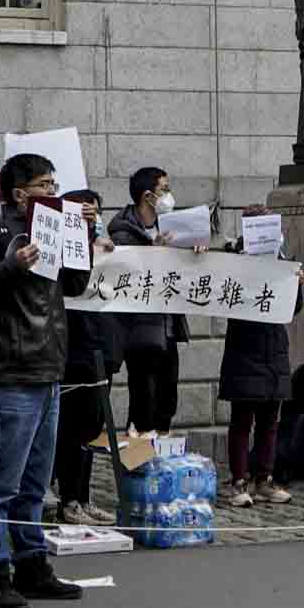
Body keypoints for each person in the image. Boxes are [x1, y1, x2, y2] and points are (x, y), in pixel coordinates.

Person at [0, 154, 90, 608]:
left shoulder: (53, 228)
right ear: (19, 194)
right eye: (44, 184)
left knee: (34, 482)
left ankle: (32, 564)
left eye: (55, 183)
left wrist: (82, 235)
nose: (53, 191)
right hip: (10, 373)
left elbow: (74, 284)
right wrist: (10, 266)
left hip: (49, 370)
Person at [217, 207, 303, 508]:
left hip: (274, 348)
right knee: (242, 420)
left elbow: (293, 308)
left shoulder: (281, 259)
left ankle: (263, 479)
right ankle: (239, 481)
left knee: (270, 421)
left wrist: (296, 283)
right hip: (244, 348)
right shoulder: (233, 258)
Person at [111, 167, 197, 434]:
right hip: (139, 330)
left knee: (167, 400)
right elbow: (122, 274)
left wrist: (197, 252)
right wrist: (152, 251)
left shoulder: (172, 228)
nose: (170, 196)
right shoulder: (121, 233)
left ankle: (159, 457)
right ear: (148, 196)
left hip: (168, 326)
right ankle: (137, 462)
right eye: (165, 189)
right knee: (143, 400)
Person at [51, 189, 117, 525]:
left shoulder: (109, 249)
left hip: (101, 349)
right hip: (73, 349)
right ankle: (68, 499)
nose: (92, 216)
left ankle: (84, 496)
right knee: (71, 430)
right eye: (85, 211)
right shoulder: (62, 252)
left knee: (92, 430)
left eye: (96, 211)